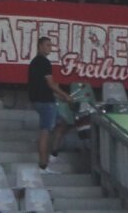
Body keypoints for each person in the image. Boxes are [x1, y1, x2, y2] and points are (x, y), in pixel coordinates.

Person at [28, 36, 72, 174]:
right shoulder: (44, 63)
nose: (50, 48)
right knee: (45, 132)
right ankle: (43, 166)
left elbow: (43, 86)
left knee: (62, 124)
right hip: (46, 103)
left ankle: (53, 154)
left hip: (42, 100)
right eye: (47, 45)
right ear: (40, 46)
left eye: (50, 45)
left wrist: (59, 96)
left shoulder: (34, 63)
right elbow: (51, 84)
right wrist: (65, 95)